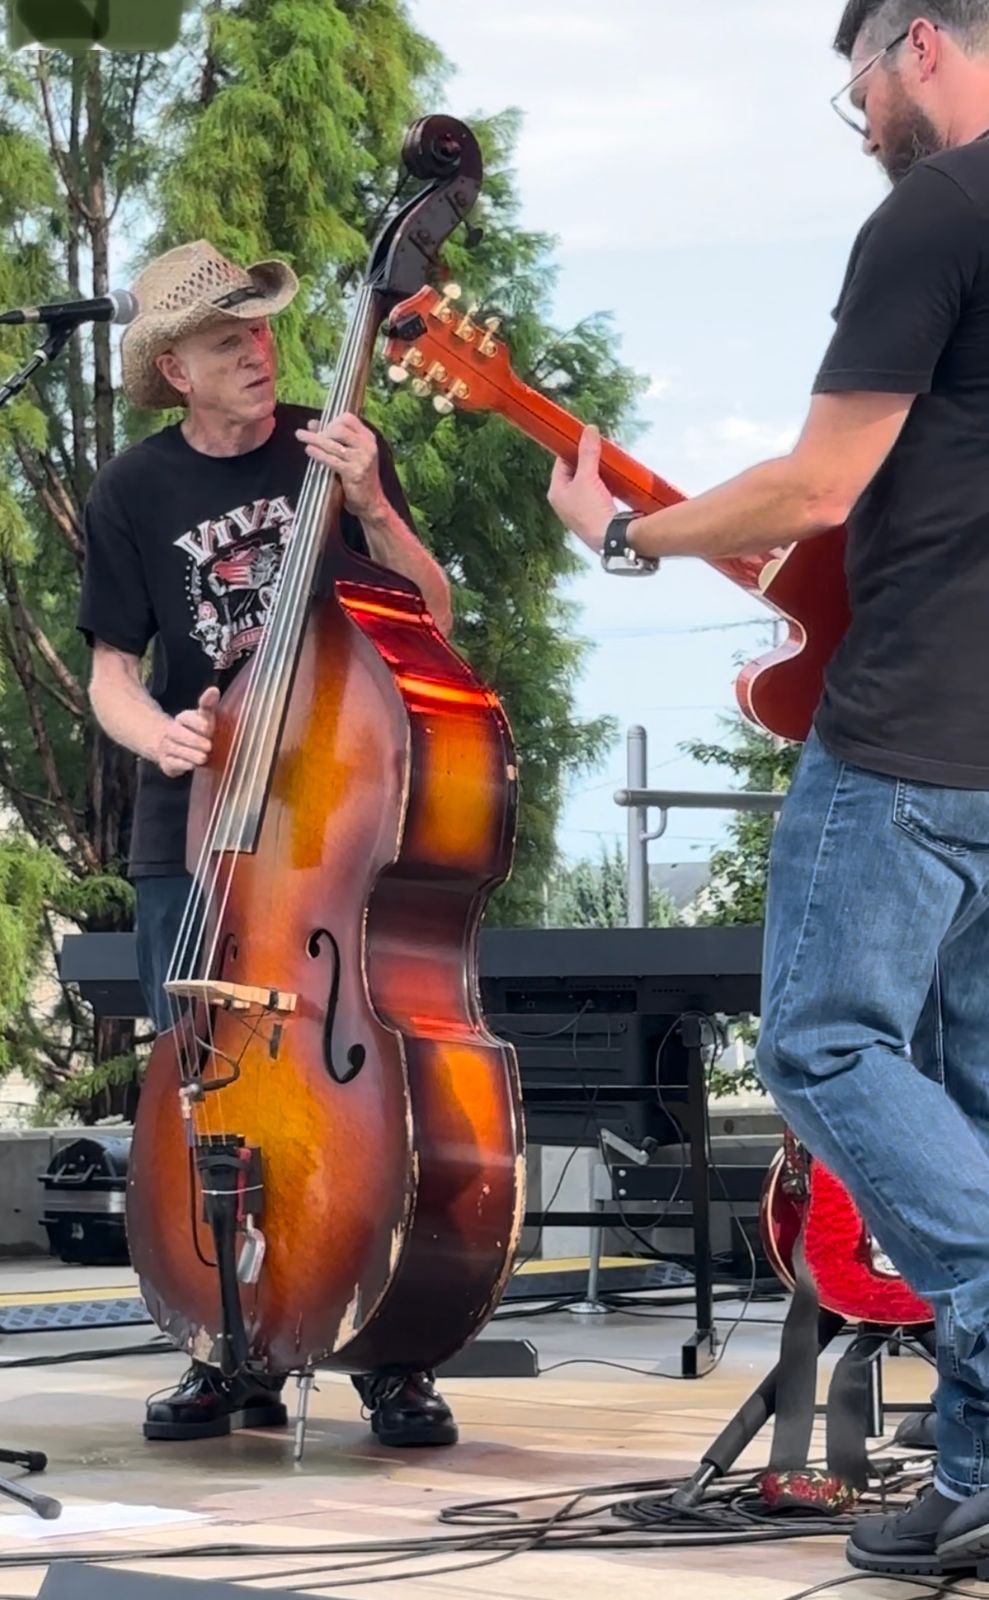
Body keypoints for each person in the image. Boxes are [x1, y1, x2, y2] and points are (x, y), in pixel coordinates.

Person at [547, 0, 989, 1579]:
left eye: (855, 82)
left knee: (818, 1043)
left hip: (912, 730)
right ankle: (979, 1473)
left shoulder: (937, 210)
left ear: (917, 43)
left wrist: (622, 533)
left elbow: (817, 480)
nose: (859, 115)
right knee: (969, 1088)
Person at [76, 238, 458, 1451]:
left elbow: (433, 617)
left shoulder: (330, 445)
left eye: (259, 328)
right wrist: (161, 737)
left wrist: (370, 504)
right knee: (206, 1090)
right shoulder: (131, 491)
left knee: (374, 1090)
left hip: (336, 812)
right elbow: (112, 672)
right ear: (174, 369)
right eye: (225, 339)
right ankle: (224, 1344)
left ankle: (386, 1348)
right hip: (199, 823)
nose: (257, 350)